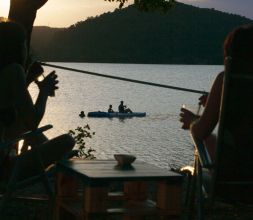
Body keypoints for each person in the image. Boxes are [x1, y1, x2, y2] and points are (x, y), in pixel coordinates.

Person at [0, 21, 75, 181]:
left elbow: (10, 108)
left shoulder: (8, 73)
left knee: (23, 126)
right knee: (67, 141)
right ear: (18, 47)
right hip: (5, 171)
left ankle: (61, 158)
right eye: (25, 44)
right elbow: (32, 121)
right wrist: (44, 91)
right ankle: (62, 161)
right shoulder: (14, 70)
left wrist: (27, 78)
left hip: (5, 159)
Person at [179, 24, 253, 160]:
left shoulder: (225, 80)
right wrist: (217, 104)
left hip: (234, 174)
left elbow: (201, 132)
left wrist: (192, 121)